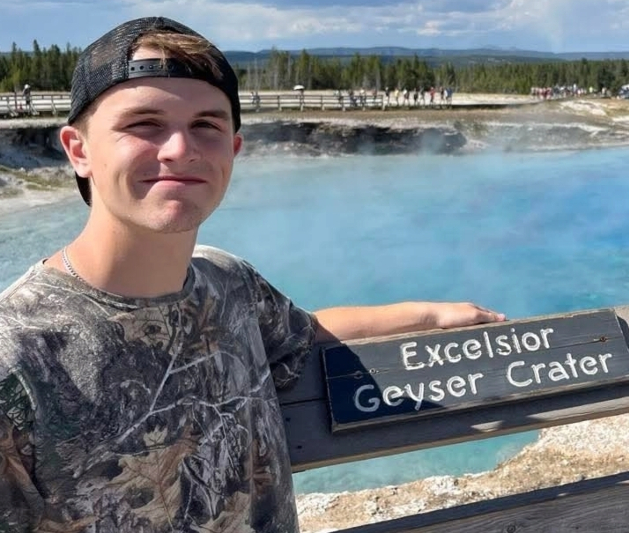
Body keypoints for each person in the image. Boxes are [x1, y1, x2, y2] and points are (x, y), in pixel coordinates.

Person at [0, 16, 504, 533]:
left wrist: (432, 313)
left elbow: (305, 331)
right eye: (143, 124)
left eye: (207, 125)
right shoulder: (17, 354)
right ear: (78, 150)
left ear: (233, 151)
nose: (180, 149)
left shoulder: (228, 283)